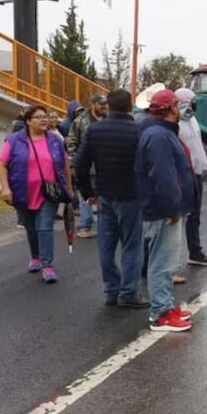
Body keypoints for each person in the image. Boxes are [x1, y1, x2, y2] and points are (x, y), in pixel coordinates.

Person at [75, 89, 147, 308]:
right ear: (129, 106)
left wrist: (88, 193)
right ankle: (128, 293)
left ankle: (111, 291)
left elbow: (80, 164)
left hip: (104, 194)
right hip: (131, 195)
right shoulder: (138, 130)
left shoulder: (95, 130)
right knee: (132, 246)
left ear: (108, 106)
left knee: (106, 245)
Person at [136, 89, 196, 332]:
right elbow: (163, 176)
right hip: (164, 210)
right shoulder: (159, 136)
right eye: (177, 104)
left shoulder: (160, 133)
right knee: (162, 263)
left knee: (166, 261)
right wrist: (172, 207)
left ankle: (166, 306)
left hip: (164, 208)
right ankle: (160, 314)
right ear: (171, 108)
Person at [0, 105, 72, 284]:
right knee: (30, 227)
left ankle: (47, 265)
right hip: (22, 192)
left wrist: (68, 188)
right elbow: (1, 165)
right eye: (38, 117)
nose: (44, 120)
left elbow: (65, 166)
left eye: (45, 116)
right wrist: (5, 188)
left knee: (44, 226)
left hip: (49, 192)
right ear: (28, 121)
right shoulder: (14, 140)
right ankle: (36, 257)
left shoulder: (55, 140)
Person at [174, 87, 207, 267]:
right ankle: (168, 262)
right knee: (176, 219)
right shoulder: (176, 124)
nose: (195, 104)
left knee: (194, 216)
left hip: (196, 174)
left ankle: (195, 251)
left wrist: (204, 163)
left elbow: (197, 144)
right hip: (183, 176)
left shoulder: (192, 120)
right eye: (192, 100)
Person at [68, 93, 109, 239]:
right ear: (93, 105)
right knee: (85, 196)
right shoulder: (80, 121)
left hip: (104, 166)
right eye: (101, 104)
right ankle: (85, 226)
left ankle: (104, 226)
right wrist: (73, 163)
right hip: (85, 166)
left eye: (106, 104)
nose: (105, 106)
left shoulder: (108, 119)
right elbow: (71, 142)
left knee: (104, 197)